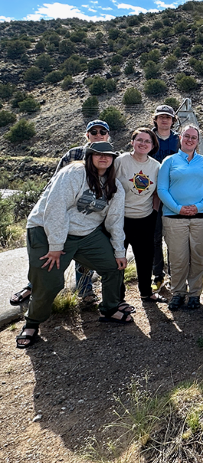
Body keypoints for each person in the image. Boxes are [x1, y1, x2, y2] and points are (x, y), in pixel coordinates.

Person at [16, 142, 130, 348]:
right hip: (46, 230)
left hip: (86, 234)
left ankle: (110, 308)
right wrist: (56, 245)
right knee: (49, 281)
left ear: (113, 159)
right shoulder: (73, 173)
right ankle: (32, 321)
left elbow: (115, 221)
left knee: (114, 266)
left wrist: (120, 251)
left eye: (108, 155)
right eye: (97, 154)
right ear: (89, 156)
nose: (103, 158)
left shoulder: (115, 186)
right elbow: (55, 208)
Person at [10, 119, 110, 307]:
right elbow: (55, 181)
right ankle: (33, 286)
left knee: (84, 258)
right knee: (46, 252)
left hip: (87, 215)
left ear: (107, 135)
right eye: (93, 132)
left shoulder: (111, 155)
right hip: (61, 211)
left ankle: (85, 290)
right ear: (87, 135)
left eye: (102, 132)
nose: (98, 135)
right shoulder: (73, 154)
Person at [157, 124, 203, 311]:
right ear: (180, 138)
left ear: (198, 141)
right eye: (187, 136)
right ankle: (178, 292)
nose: (190, 140)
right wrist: (177, 208)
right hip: (174, 217)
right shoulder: (169, 161)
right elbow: (162, 189)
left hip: (202, 216)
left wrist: (198, 207)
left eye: (194, 137)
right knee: (177, 256)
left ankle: (195, 293)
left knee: (198, 256)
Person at [114, 127, 165, 305]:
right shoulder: (120, 161)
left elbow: (158, 192)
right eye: (140, 140)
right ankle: (117, 298)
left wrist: (154, 213)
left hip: (145, 218)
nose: (143, 144)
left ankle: (146, 292)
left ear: (152, 145)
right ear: (132, 142)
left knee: (145, 258)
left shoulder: (156, 166)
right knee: (117, 259)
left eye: (147, 141)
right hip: (120, 219)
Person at [149, 104, 180, 293]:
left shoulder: (178, 140)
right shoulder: (149, 137)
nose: (164, 120)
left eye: (168, 117)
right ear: (155, 119)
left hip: (174, 194)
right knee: (155, 237)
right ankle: (157, 275)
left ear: (173, 120)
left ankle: (174, 275)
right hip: (151, 195)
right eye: (161, 117)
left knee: (174, 237)